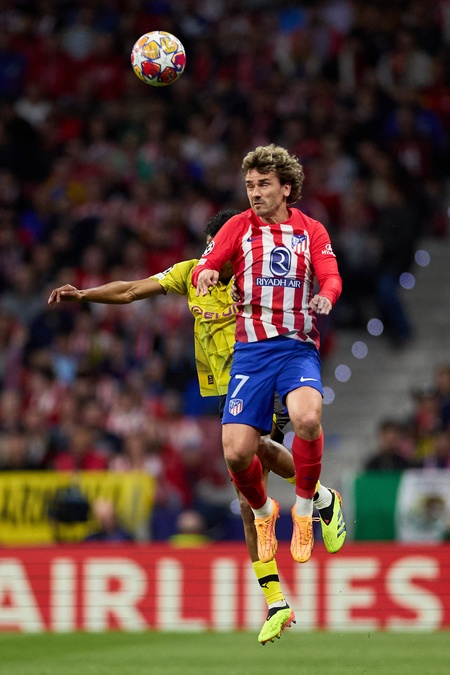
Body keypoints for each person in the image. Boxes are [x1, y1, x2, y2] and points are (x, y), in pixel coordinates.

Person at [48, 209, 299, 644]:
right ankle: (276, 600)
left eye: (219, 245)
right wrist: (84, 294)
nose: (211, 253)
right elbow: (131, 290)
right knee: (246, 503)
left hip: (263, 377)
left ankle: (318, 492)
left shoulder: (255, 275)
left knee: (252, 454)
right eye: (209, 245)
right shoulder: (191, 273)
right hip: (228, 393)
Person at [192, 144, 346, 568]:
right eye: (250, 185)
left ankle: (304, 511)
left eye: (263, 184)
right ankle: (264, 512)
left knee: (307, 418)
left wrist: (327, 296)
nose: (255, 192)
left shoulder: (311, 230)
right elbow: (208, 261)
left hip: (297, 347)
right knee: (237, 453)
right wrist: (206, 271)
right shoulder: (238, 226)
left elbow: (331, 276)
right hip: (252, 354)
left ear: (286, 188)